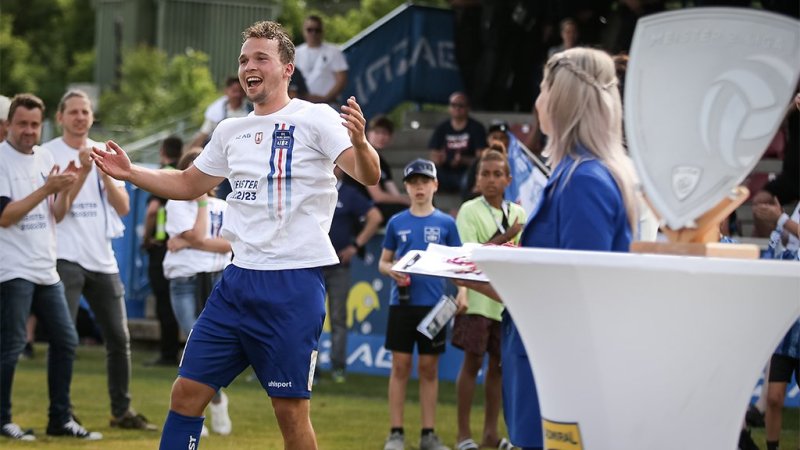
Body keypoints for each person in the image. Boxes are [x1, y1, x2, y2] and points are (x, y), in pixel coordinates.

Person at [91, 20, 380, 450]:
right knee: (186, 395)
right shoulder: (229, 130)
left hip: (292, 284)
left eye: (261, 57)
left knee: (290, 413)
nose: (250, 66)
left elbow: (368, 175)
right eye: (244, 59)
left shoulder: (315, 117)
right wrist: (131, 171)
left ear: (288, 68)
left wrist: (360, 143)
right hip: (236, 282)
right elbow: (188, 183)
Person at [455, 48, 639, 450]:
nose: (536, 99)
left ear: (560, 98)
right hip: (547, 365)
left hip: (557, 374)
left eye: (542, 87)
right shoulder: (577, 175)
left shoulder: (583, 181)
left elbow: (577, 297)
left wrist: (493, 280)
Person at [42, 89, 157, 431]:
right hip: (65, 256)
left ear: (92, 117)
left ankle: (121, 411)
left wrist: (105, 172)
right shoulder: (47, 154)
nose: (80, 117)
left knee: (119, 339)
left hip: (102, 258)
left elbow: (123, 208)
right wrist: (78, 174)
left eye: (85, 111)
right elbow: (56, 214)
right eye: (73, 111)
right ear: (60, 117)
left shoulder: (103, 151)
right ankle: (62, 411)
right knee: (65, 338)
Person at [0, 93, 102, 441]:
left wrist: (79, 177)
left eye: (33, 124)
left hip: (46, 267)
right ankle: (2, 418)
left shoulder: (44, 157)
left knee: (67, 340)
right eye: (22, 124)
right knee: (12, 344)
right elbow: (5, 217)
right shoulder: (0, 159)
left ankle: (59, 419)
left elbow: (57, 213)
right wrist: (47, 189)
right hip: (12, 268)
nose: (29, 131)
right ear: (8, 125)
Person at [378, 158, 462, 450]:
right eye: (414, 182)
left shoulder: (446, 223)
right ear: (407, 187)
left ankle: (428, 434)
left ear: (435, 185)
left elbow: (457, 265)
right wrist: (393, 271)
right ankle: (396, 432)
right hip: (401, 303)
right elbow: (383, 262)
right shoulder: (396, 222)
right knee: (400, 367)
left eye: (425, 182)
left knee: (429, 368)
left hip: (434, 305)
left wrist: (462, 292)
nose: (419, 188)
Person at [453, 150, 526, 450]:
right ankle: (462, 435)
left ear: (508, 180)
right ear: (477, 179)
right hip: (479, 298)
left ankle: (490, 435)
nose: (491, 180)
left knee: (498, 368)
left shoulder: (520, 214)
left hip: (507, 302)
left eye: (498, 174)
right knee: (472, 364)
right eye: (485, 174)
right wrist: (509, 235)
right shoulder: (469, 211)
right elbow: (470, 256)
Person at [162, 149, 233, 436]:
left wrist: (191, 242)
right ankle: (211, 400)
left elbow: (226, 244)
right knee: (193, 338)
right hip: (184, 277)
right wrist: (201, 208)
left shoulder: (226, 206)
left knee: (206, 344)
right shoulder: (177, 203)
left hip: (216, 277)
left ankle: (203, 404)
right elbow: (201, 237)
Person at [325, 166, 383, 383]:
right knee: (307, 318)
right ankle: (308, 367)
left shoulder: (349, 193)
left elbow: (375, 217)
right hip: (311, 264)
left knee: (338, 317)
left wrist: (355, 246)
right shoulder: (311, 187)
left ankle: (337, 366)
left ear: (341, 168)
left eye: (335, 163)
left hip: (339, 265)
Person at [143, 136, 183, 367]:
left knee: (164, 301)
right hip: (180, 244)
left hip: (161, 245)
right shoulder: (181, 172)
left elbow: (152, 210)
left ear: (161, 151)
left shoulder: (163, 174)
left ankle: (167, 354)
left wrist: (146, 237)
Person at [343, 115, 409, 224]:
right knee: (405, 211)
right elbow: (377, 196)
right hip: (360, 208)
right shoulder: (363, 155)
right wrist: (406, 200)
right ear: (367, 133)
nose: (382, 137)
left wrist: (411, 200)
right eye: (377, 132)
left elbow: (394, 193)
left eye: (386, 133)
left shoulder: (382, 162)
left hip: (376, 205)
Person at [428, 92, 487, 193]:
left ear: (468, 108)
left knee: (471, 179)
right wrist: (441, 159)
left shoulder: (477, 128)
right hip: (445, 172)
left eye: (461, 106)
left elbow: (481, 158)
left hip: (467, 172)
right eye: (453, 105)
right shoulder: (442, 128)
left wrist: (463, 160)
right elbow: (433, 154)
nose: (457, 108)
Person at [294, 15, 349, 106]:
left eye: (317, 30)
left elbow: (342, 79)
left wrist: (326, 98)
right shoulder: (295, 52)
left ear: (322, 31)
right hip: (302, 105)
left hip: (329, 105)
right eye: (310, 30)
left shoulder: (334, 51)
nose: (313, 33)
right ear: (303, 31)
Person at [188, 77, 251, 150]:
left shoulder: (250, 110)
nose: (238, 95)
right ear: (226, 91)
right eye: (234, 91)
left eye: (241, 91)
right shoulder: (216, 111)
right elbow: (204, 134)